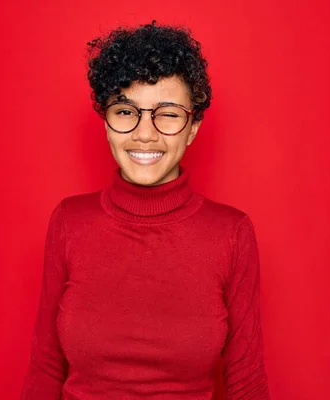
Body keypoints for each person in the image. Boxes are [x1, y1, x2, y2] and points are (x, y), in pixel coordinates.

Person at [20, 21, 270, 399]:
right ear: (106, 121)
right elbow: (45, 366)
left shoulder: (231, 233)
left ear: (193, 127)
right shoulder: (70, 222)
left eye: (167, 114)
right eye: (126, 111)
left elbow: (246, 379)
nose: (145, 133)